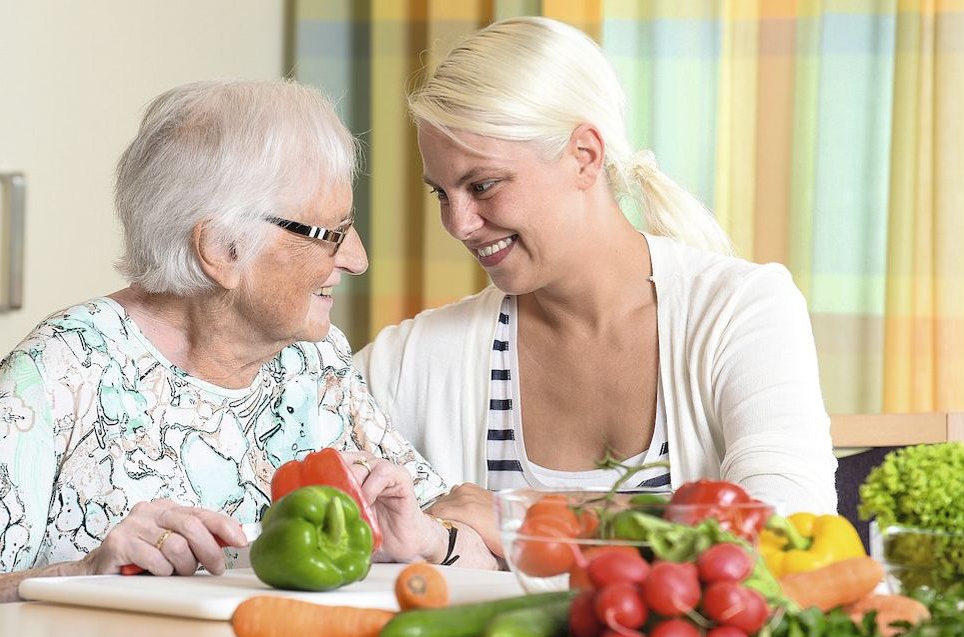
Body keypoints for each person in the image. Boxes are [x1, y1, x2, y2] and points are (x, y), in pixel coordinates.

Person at [0, 79, 496, 615]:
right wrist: (84, 576)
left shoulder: (313, 366)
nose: (357, 258)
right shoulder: (66, 368)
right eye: (331, 232)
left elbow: (481, 563)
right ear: (221, 249)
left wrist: (433, 542)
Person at [353, 17, 837, 554]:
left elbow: (788, 527)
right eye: (441, 193)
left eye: (482, 185)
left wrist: (526, 514)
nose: (459, 223)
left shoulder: (742, 310)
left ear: (584, 156)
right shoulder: (413, 359)